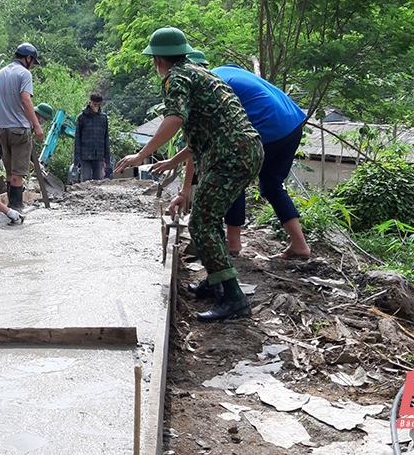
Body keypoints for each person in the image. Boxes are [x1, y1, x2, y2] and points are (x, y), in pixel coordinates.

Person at [114, 27, 263, 322]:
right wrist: (172, 160)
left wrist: (142, 155)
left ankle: (234, 299)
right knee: (210, 217)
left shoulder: (176, 78)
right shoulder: (200, 74)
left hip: (229, 157)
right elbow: (198, 138)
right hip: (246, 150)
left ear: (158, 59)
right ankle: (217, 279)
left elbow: (175, 118)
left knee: (202, 223)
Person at [158, 52, 311, 259]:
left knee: (231, 171)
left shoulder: (206, 86)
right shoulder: (227, 73)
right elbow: (200, 144)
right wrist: (174, 163)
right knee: (273, 185)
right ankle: (299, 245)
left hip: (267, 124)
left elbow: (199, 145)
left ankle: (232, 242)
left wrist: (185, 191)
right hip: (292, 122)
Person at [0, 42, 44, 211]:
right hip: (19, 129)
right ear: (28, 58)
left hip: (2, 129)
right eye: (32, 62)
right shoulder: (24, 74)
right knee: (18, 172)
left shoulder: (0, 73)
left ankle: (10, 207)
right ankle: (16, 207)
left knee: (9, 171)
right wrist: (37, 126)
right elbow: (26, 100)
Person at [73, 93, 110, 181]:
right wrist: (77, 158)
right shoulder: (81, 117)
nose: (96, 107)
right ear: (90, 103)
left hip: (99, 154)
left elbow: (106, 137)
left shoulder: (103, 118)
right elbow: (77, 138)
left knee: (98, 180)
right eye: (94, 104)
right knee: (86, 179)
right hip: (85, 154)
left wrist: (107, 157)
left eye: (98, 105)